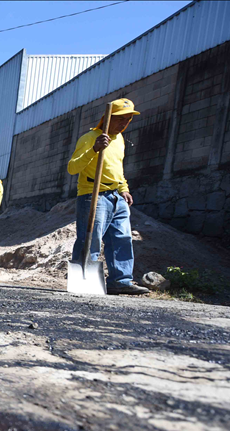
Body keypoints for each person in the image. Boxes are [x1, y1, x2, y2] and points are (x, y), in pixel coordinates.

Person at [67, 98, 149, 295]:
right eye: (121, 119)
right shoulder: (89, 138)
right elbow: (72, 168)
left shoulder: (119, 140)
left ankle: (120, 280)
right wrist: (94, 149)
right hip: (92, 195)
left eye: (128, 120)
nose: (124, 124)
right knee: (90, 239)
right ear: (107, 118)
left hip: (116, 197)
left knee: (122, 238)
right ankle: (83, 281)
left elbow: (117, 169)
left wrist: (124, 189)